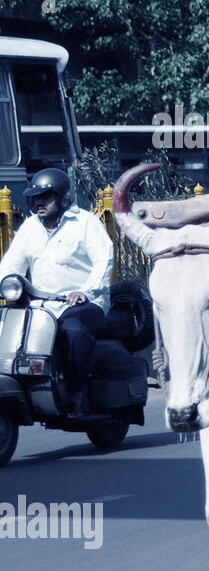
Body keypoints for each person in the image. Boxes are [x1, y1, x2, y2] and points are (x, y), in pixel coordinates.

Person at [0, 169, 114, 418]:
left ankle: (75, 392)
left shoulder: (85, 222)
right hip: (41, 306)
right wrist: (9, 282)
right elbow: (10, 266)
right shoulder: (30, 227)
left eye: (46, 197)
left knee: (73, 331)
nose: (39, 203)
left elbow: (103, 260)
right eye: (35, 198)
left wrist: (85, 291)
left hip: (85, 304)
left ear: (62, 197)